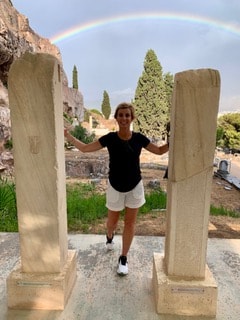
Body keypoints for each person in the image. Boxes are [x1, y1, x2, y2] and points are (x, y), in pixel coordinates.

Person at [64, 102, 169, 276]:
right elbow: (84, 149)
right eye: (121, 115)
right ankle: (110, 236)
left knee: (130, 223)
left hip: (135, 186)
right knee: (111, 223)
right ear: (116, 118)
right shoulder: (110, 138)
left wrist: (171, 142)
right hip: (115, 186)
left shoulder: (139, 138)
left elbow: (158, 151)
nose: (124, 118)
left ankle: (123, 258)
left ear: (132, 118)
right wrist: (68, 136)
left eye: (127, 115)